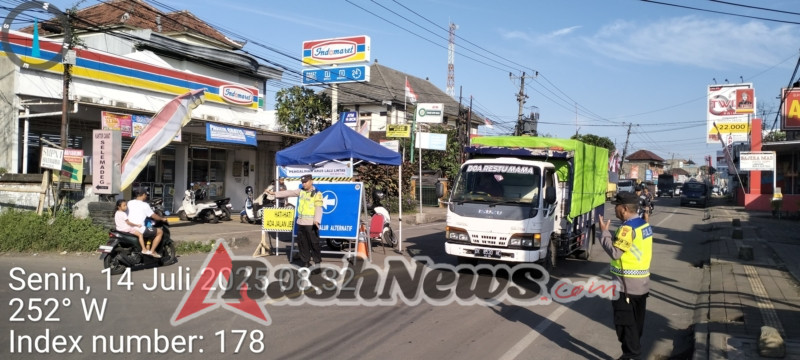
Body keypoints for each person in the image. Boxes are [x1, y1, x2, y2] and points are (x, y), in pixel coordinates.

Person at [598, 192, 653, 360]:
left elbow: (615, 253)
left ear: (624, 209)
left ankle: (631, 356)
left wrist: (605, 233)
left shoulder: (627, 229)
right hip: (642, 285)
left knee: (624, 325)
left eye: (616, 206)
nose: (614, 209)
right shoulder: (644, 225)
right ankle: (632, 353)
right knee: (635, 326)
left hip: (625, 287)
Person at [267, 174, 322, 267]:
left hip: (311, 224)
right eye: (303, 182)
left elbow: (319, 207)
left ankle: (317, 264)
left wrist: (317, 220)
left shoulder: (317, 193)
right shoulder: (301, 191)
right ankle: (306, 263)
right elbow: (288, 193)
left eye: (306, 182)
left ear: (311, 181)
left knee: (314, 244)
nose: (304, 184)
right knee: (302, 244)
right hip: (301, 223)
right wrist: (275, 194)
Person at [127, 187, 167, 258]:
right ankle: (152, 251)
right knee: (160, 232)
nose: (146, 196)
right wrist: (161, 219)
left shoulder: (129, 202)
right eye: (146, 194)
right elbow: (153, 216)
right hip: (139, 228)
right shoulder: (145, 205)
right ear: (143, 195)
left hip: (129, 227)